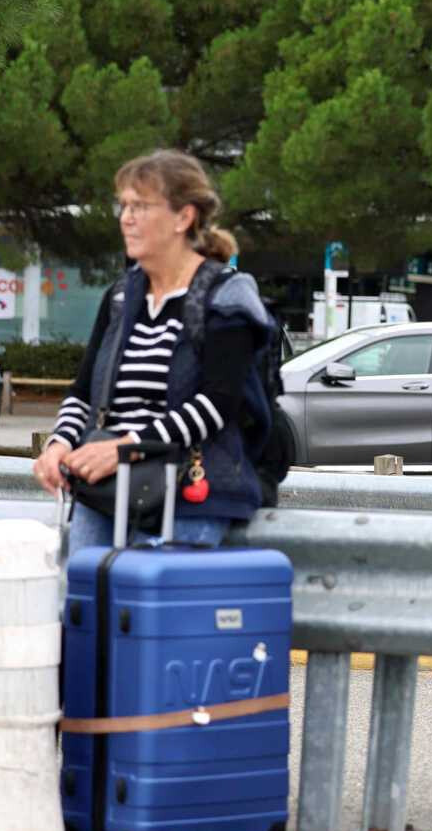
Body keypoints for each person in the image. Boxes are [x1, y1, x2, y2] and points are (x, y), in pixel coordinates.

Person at [32, 151, 276, 554]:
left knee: (150, 607)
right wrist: (60, 443)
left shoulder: (226, 296)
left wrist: (126, 448)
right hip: (107, 491)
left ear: (183, 218)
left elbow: (219, 403)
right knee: (84, 608)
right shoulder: (120, 296)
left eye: (141, 206)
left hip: (190, 491)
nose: (126, 218)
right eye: (124, 205)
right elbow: (83, 393)